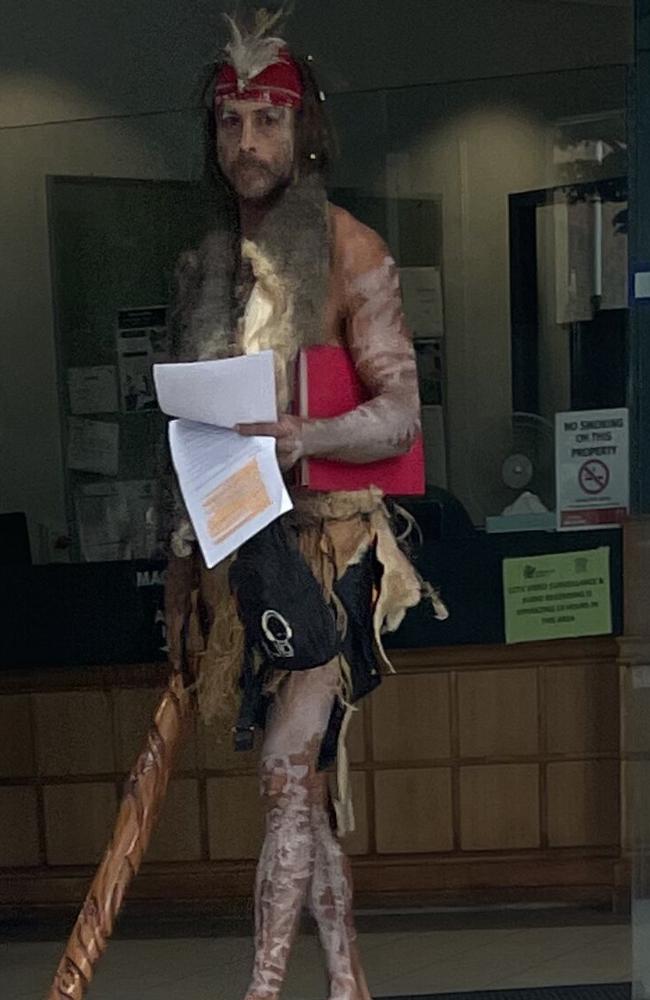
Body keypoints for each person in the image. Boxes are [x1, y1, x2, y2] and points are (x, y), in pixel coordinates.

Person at [162, 11, 446, 1000]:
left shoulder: (349, 248)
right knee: (300, 787)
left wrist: (305, 439)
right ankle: (349, 982)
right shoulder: (205, 266)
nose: (248, 142)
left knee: (287, 767)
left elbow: (400, 417)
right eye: (231, 121)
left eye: (269, 121)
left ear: (306, 132)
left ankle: (266, 987)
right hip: (246, 555)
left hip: (332, 548)